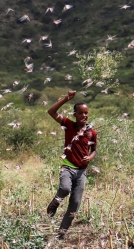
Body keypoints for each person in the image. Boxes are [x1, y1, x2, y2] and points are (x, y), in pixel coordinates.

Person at [46, 90, 97, 239]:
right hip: (67, 167)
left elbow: (94, 150)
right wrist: (66, 98)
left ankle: (61, 234)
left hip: (81, 172)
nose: (84, 116)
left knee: (75, 204)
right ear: (75, 115)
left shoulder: (91, 132)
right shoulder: (68, 125)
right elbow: (51, 111)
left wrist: (90, 157)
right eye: (80, 113)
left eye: (86, 113)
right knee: (65, 188)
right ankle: (55, 202)